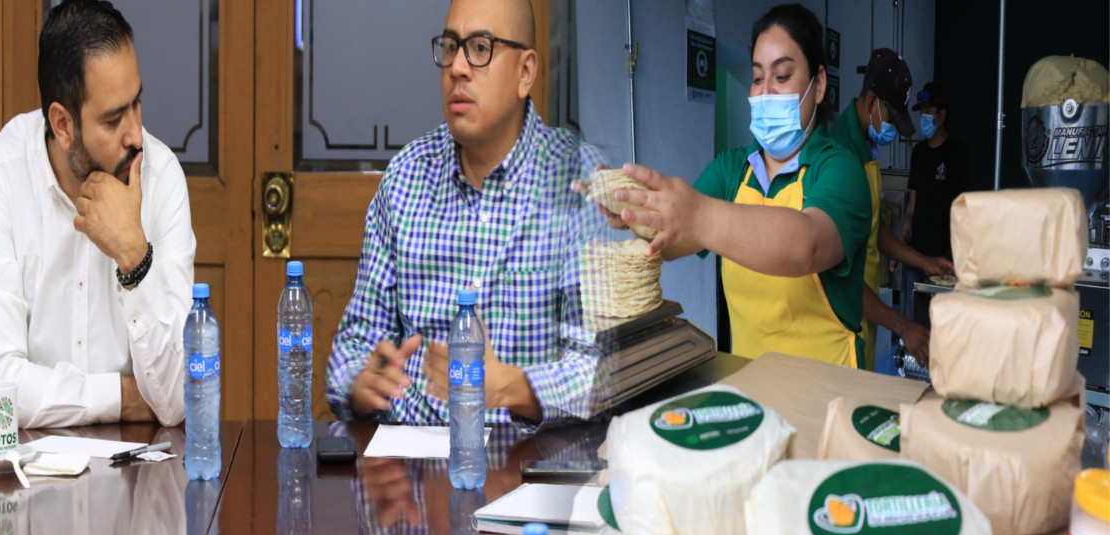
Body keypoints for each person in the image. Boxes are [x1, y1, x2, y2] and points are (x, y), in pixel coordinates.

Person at [326, 0, 601, 429]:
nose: (457, 67)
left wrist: (514, 388)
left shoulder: (579, 182)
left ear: (525, 72)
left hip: (527, 458)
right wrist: (360, 380)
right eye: (451, 47)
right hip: (411, 457)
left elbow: (603, 369)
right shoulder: (406, 177)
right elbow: (355, 343)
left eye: (479, 48)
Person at [0, 0, 195, 428]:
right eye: (113, 120)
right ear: (63, 125)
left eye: (136, 104)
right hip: (30, 462)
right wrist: (122, 397)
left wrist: (134, 257)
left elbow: (179, 400)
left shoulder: (161, 175)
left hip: (140, 459)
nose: (136, 135)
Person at [608, 3, 872, 368]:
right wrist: (635, 211)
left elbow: (807, 245)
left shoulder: (839, 170)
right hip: (750, 384)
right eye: (758, 77)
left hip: (829, 390)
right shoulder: (731, 170)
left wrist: (697, 215)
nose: (765, 92)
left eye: (782, 76)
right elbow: (675, 241)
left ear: (819, 85)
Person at [827, 48, 952, 367]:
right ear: (872, 102)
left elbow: (872, 228)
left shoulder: (866, 147)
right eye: (892, 119)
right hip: (840, 321)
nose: (893, 130)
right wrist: (903, 326)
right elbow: (842, 278)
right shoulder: (839, 159)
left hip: (865, 309)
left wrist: (924, 261)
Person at [904, 82, 971, 267]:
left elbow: (965, 205)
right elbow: (912, 205)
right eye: (921, 112)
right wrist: (901, 246)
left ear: (941, 115)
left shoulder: (957, 152)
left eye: (928, 111)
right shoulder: (918, 152)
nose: (922, 117)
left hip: (946, 255)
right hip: (917, 254)